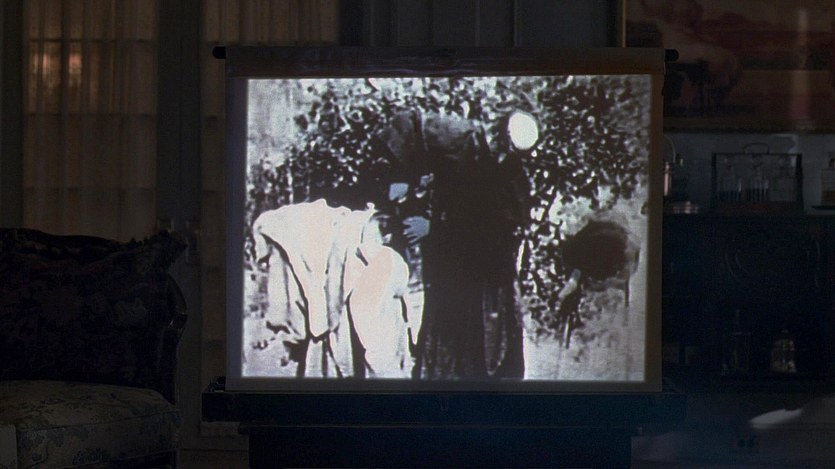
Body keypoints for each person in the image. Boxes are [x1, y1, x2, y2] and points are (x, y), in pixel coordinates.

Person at [375, 110, 531, 380]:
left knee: (473, 361)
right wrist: (408, 181)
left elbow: (488, 233)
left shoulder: (503, 180)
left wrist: (433, 229)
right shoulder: (465, 151)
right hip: (459, 280)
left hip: (481, 292)